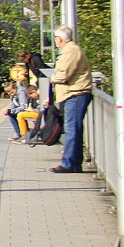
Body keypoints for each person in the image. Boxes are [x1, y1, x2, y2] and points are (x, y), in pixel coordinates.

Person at [48, 26, 92, 173]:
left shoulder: (71, 51)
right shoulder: (70, 50)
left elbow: (63, 75)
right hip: (73, 94)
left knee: (72, 129)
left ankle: (68, 163)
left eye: (55, 38)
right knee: (74, 129)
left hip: (75, 94)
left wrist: (52, 78)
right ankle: (73, 163)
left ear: (59, 39)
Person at [2, 70, 31, 140]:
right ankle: (19, 133)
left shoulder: (21, 92)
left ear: (15, 88)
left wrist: (11, 111)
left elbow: (23, 106)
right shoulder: (14, 94)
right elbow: (13, 104)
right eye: (9, 93)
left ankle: (21, 134)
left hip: (29, 109)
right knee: (11, 114)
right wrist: (8, 110)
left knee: (17, 114)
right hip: (23, 109)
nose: (11, 94)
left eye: (12, 92)